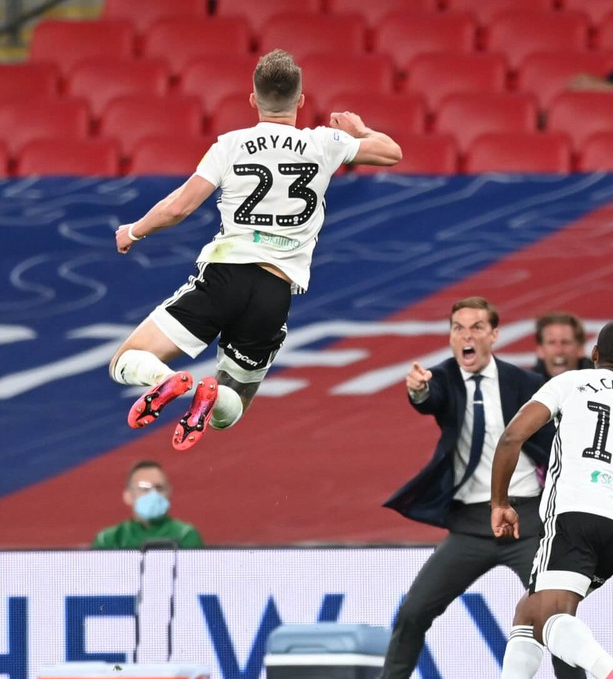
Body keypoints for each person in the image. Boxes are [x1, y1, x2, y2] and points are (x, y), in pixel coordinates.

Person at [324, 297, 593, 679]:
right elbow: (430, 399)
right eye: (457, 328)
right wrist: (418, 391)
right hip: (470, 524)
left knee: (553, 614)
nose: (466, 336)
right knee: (413, 611)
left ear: (494, 335)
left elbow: (555, 440)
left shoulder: (524, 381)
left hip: (527, 520)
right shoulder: (443, 377)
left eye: (475, 327)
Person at [107, 49, 401, 451]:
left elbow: (179, 207)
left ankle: (166, 382)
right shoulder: (324, 142)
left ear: (252, 99)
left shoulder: (230, 145)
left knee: (125, 359)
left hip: (225, 276)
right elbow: (391, 152)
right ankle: (206, 394)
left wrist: (134, 232)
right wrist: (360, 130)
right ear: (300, 100)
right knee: (231, 411)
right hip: (274, 292)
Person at [463, 320, 613, 679]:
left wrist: (499, 503)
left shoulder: (572, 383)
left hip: (575, 515)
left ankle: (609, 669)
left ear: (594, 354)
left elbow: (513, 437)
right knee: (530, 612)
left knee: (553, 615)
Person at [93, 460, 203, 549]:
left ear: (169, 493)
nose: (153, 494)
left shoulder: (185, 535)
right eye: (145, 489)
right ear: (128, 496)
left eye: (159, 488)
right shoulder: (109, 539)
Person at [532, 312, 592, 380]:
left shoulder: (600, 383)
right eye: (551, 343)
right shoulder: (526, 387)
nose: (559, 350)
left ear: (580, 349)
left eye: (565, 342)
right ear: (540, 350)